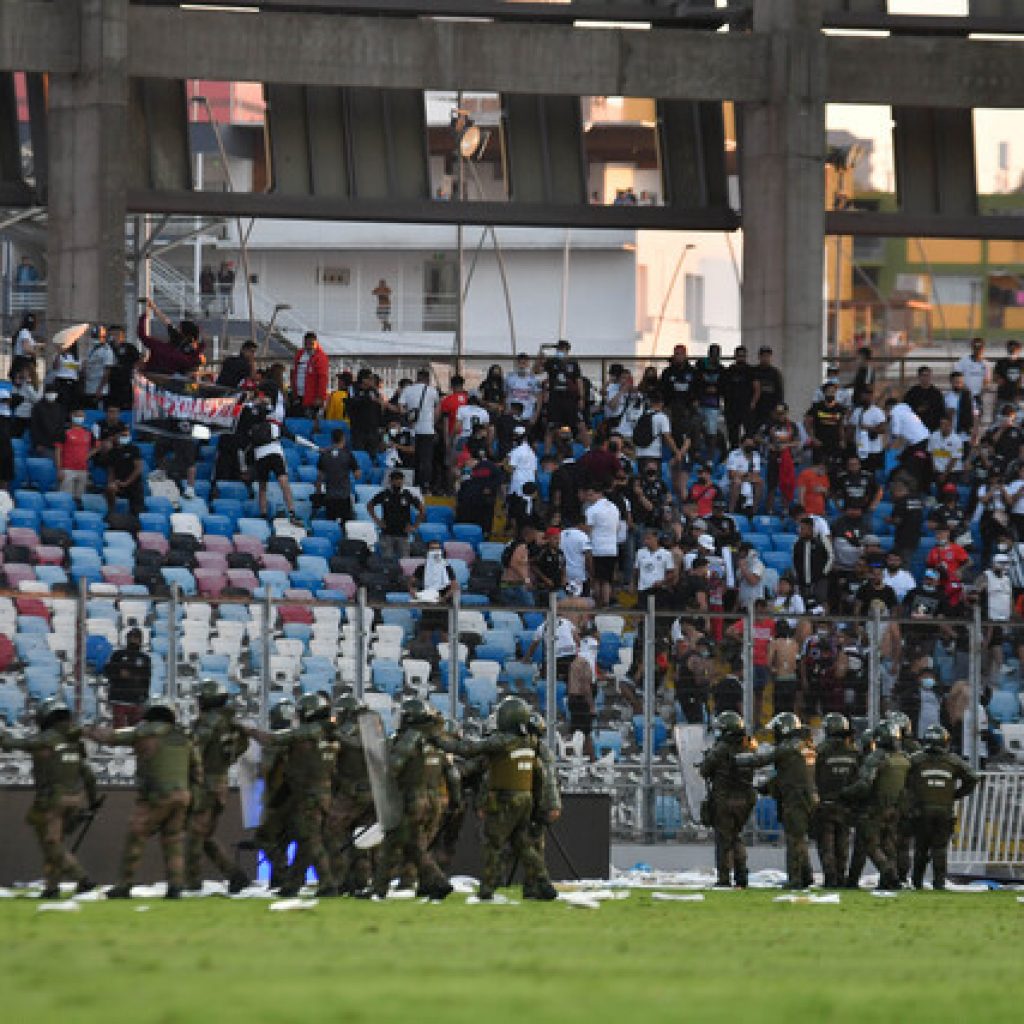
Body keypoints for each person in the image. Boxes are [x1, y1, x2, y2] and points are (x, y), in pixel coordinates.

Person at [444, 696, 558, 901]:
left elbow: (469, 753)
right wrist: (543, 803)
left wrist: (440, 742)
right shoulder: (530, 743)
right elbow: (541, 775)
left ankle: (488, 888)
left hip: (504, 799)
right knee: (524, 844)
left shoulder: (501, 742)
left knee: (493, 844)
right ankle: (543, 882)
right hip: (526, 800)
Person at [86, 698, 201, 900]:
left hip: (156, 796)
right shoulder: (184, 736)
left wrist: (86, 731)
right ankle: (175, 887)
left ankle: (124, 885)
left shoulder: (144, 731)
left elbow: (110, 737)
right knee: (173, 841)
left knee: (136, 837)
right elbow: (197, 770)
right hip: (182, 795)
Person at [239, 692, 340, 898]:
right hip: (321, 794)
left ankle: (327, 883)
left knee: (310, 840)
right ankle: (292, 884)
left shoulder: (307, 733)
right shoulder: (331, 734)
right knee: (305, 842)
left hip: (305, 796)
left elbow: (273, 740)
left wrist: (248, 731)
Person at [0, 697, 99, 898]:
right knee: (55, 844)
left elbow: (13, 743)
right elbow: (88, 775)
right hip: (75, 799)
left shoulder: (46, 739)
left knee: (51, 844)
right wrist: (93, 801)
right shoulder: (74, 742)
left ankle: (83, 879)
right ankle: (51, 888)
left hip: (52, 801)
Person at [365, 700, 454, 900]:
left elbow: (394, 768)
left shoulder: (408, 739)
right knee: (411, 844)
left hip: (410, 800)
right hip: (431, 800)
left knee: (399, 845)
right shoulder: (434, 740)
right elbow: (453, 774)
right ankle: (426, 885)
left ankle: (438, 881)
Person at [736, 712, 817, 889]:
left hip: (795, 799)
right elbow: (789, 774)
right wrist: (766, 786)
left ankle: (795, 879)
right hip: (807, 797)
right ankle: (806, 875)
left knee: (794, 840)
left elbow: (761, 760)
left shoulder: (789, 747)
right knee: (800, 838)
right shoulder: (807, 745)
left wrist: (738, 758)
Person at [185, 680, 250, 893]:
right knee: (204, 835)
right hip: (221, 782)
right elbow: (243, 745)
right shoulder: (231, 723)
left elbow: (193, 750)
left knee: (195, 834)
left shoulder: (208, 722)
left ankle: (192, 882)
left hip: (204, 784)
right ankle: (235, 875)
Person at [839, 720, 910, 891]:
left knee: (870, 844)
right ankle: (890, 880)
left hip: (874, 808)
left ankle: (888, 874)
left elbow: (865, 785)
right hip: (895, 808)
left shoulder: (876, 757)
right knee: (889, 845)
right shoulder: (904, 758)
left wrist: (846, 793)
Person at [699, 711, 756, 889]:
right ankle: (742, 875)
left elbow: (705, 770)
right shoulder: (748, 747)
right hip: (745, 799)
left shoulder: (721, 748)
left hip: (725, 799)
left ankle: (724, 878)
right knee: (736, 837)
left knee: (724, 840)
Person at [325, 696, 376, 894]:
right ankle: (361, 880)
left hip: (351, 793)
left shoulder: (346, 732)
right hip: (371, 793)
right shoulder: (373, 730)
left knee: (334, 833)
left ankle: (340, 879)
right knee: (361, 838)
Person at [814, 713, 860, 888]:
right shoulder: (854, 752)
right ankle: (841, 877)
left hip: (826, 804)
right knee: (843, 844)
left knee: (826, 846)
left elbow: (814, 777)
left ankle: (830, 879)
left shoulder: (820, 751)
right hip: (846, 805)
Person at [253, 698, 295, 889]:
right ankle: (282, 879)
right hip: (297, 796)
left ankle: (282, 873)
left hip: (277, 797)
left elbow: (266, 769)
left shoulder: (273, 741)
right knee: (287, 839)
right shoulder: (298, 738)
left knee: (266, 838)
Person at [399, 369, 440, 491]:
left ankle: (413, 484)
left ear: (417, 378)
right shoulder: (432, 391)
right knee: (426, 459)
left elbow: (401, 408)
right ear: (427, 379)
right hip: (427, 429)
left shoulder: (407, 390)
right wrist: (433, 423)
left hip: (412, 429)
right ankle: (425, 485)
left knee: (413, 458)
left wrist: (409, 418)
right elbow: (438, 409)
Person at [369, 469, 424, 560]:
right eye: (395, 479)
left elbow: (422, 509)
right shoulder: (384, 494)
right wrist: (377, 520)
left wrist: (415, 526)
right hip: (387, 533)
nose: (398, 481)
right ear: (391, 480)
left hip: (403, 534)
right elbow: (370, 505)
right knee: (387, 561)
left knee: (405, 561)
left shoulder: (408, 494)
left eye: (400, 479)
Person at [103, 627, 152, 727]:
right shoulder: (118, 655)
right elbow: (108, 671)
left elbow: (146, 679)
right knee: (119, 731)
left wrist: (144, 696)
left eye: (136, 637)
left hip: (136, 700)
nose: (133, 640)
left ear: (140, 640)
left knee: (135, 732)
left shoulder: (144, 658)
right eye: (131, 637)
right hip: (119, 699)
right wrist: (118, 673)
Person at [583, 485, 621, 607]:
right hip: (611, 547)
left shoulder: (592, 510)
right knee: (607, 579)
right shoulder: (614, 507)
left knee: (597, 578)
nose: (589, 498)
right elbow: (617, 527)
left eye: (591, 495)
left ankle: (598, 603)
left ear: (599, 494)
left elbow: (588, 529)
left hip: (597, 548)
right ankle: (606, 602)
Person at [316, 429, 359, 523]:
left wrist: (318, 494)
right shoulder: (348, 455)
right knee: (346, 524)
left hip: (330, 496)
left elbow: (319, 477)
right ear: (343, 439)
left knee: (331, 523)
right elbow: (357, 475)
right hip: (344, 496)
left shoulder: (324, 455)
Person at [105, 423, 145, 515]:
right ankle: (112, 513)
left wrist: (126, 483)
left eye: (127, 435)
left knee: (137, 512)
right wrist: (112, 483)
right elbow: (111, 471)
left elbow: (138, 468)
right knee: (110, 489)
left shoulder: (134, 449)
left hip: (134, 484)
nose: (125, 437)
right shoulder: (112, 452)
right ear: (116, 436)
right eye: (123, 435)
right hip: (118, 483)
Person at [55, 407, 93, 499]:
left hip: (83, 469)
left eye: (82, 416)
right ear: (72, 416)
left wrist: (86, 456)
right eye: (77, 415)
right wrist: (59, 469)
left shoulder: (88, 433)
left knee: (79, 499)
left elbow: (97, 446)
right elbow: (58, 451)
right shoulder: (64, 431)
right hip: (67, 469)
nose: (80, 418)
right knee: (65, 497)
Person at [291, 332, 329, 417]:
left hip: (312, 398)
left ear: (316, 343)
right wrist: (294, 392)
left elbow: (322, 378)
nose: (309, 346)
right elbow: (294, 373)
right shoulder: (300, 355)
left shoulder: (320, 357)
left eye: (311, 344)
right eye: (307, 344)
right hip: (299, 395)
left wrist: (320, 397)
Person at [106, 325, 140, 411]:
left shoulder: (129, 348)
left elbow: (138, 361)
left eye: (117, 334)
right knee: (111, 406)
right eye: (112, 335)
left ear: (122, 336)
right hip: (110, 383)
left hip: (125, 382)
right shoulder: (106, 348)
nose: (114, 337)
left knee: (125, 406)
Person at [81, 325, 114, 409]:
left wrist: (100, 389)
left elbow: (107, 372)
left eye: (98, 337)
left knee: (98, 411)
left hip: (99, 388)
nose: (95, 339)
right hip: (89, 386)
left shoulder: (107, 351)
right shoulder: (91, 349)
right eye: (94, 336)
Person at [30, 387, 65, 461]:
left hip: (57, 444)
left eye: (54, 393)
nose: (52, 395)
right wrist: (37, 443)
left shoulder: (59, 407)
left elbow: (61, 425)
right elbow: (34, 426)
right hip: (43, 445)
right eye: (49, 393)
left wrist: (59, 442)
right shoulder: (38, 407)